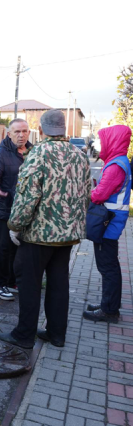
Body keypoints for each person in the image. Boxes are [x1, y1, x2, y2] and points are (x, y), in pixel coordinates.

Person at [0, 110, 91, 349]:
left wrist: (15, 226)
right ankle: (56, 334)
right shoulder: (80, 155)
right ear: (64, 128)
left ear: (40, 130)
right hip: (68, 235)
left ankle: (24, 335)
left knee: (28, 283)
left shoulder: (38, 153)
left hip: (39, 235)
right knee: (59, 283)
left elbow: (27, 196)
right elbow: (86, 194)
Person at [83, 125, 132, 323]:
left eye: (104, 140)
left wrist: (89, 194)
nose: (101, 144)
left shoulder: (115, 166)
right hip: (111, 221)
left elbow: (100, 194)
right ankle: (108, 303)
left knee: (108, 267)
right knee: (109, 266)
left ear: (113, 140)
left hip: (107, 223)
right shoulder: (119, 161)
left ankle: (109, 310)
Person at [0, 118, 33, 301]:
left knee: (20, 248)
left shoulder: (33, 151)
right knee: (3, 248)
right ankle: (0, 284)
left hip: (26, 211)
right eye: (17, 132)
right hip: (5, 209)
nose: (21, 135)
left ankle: (13, 282)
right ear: (9, 134)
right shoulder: (1, 153)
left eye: (24, 131)